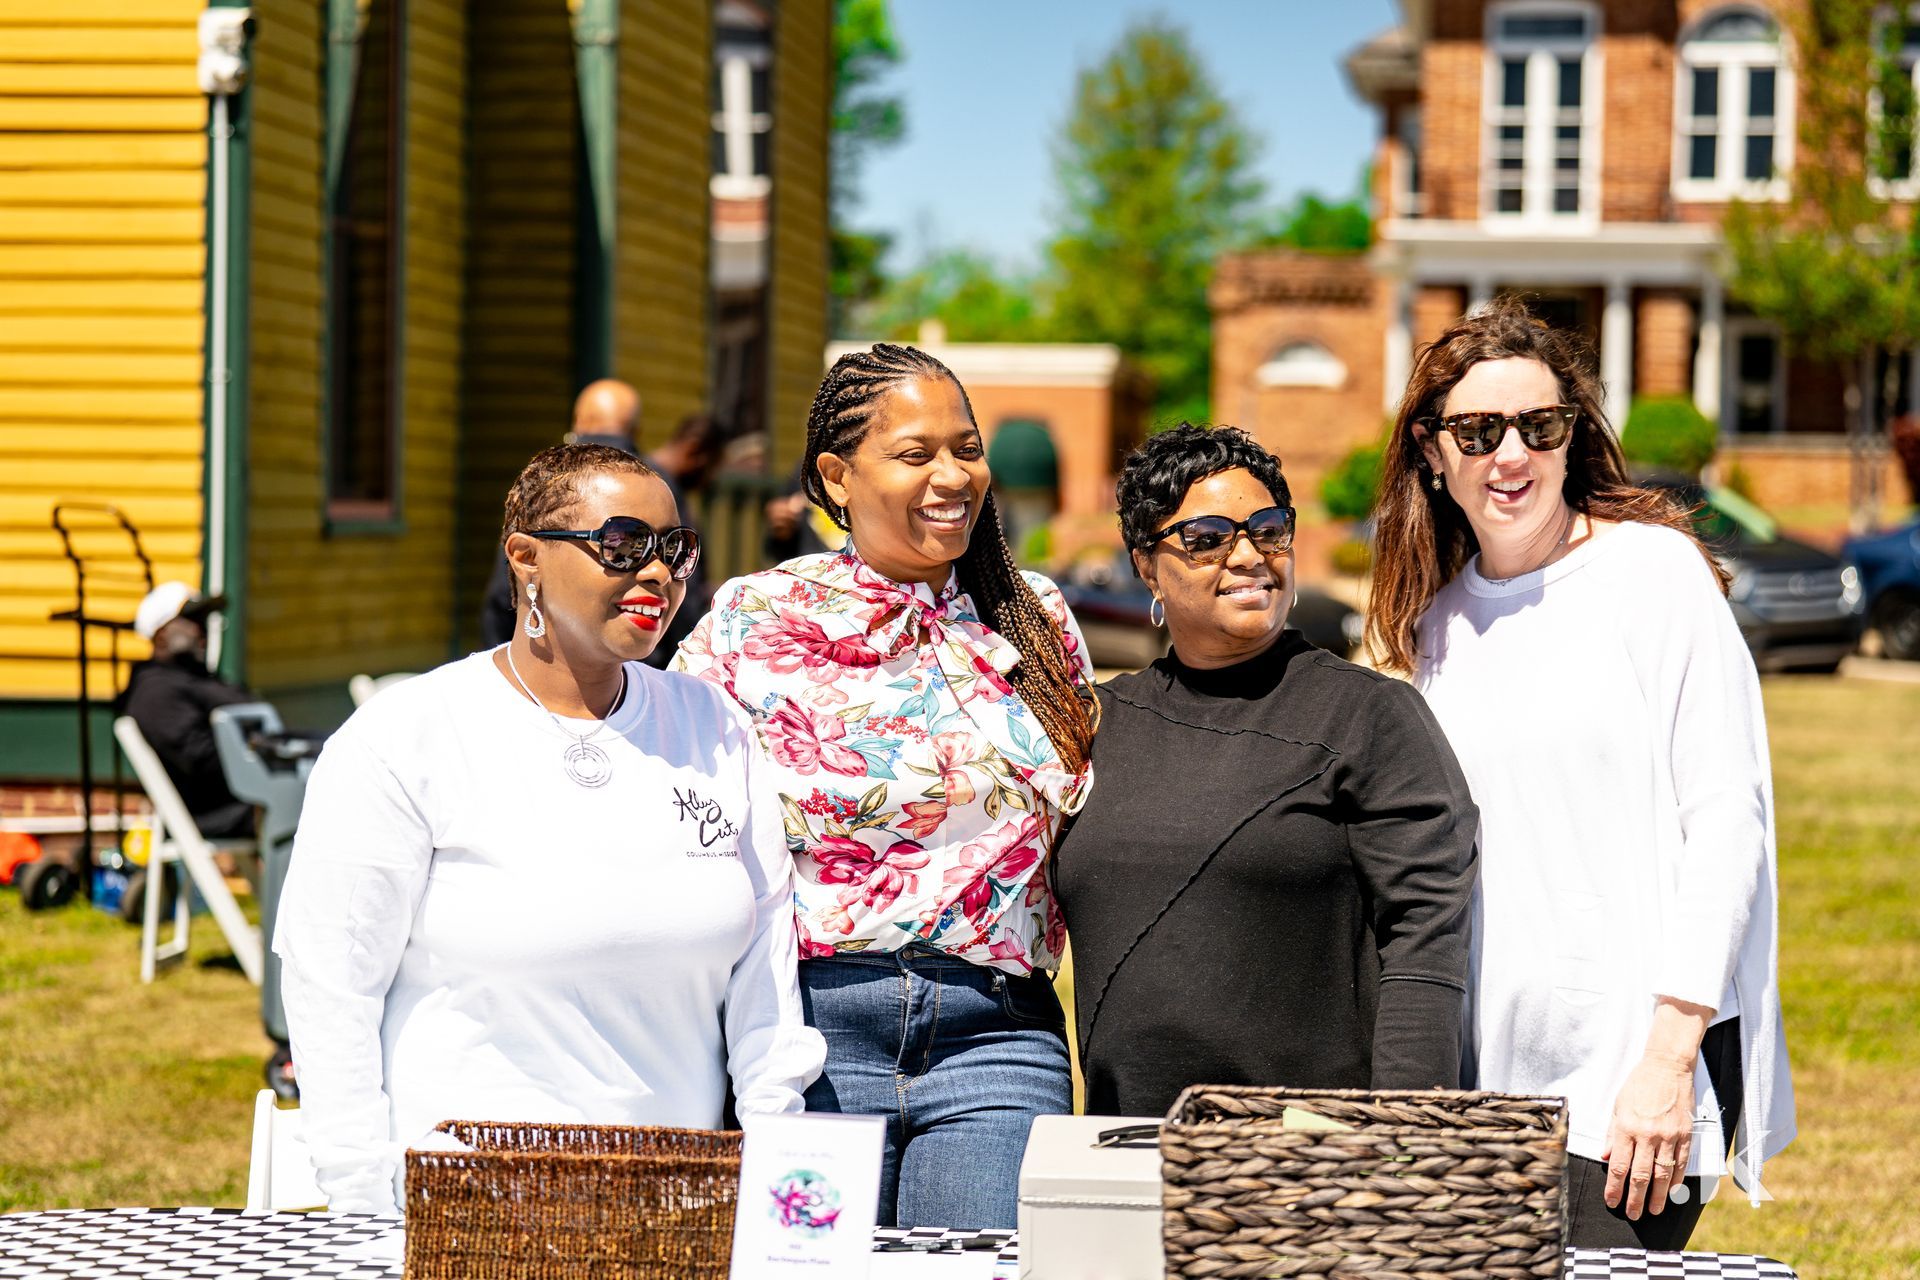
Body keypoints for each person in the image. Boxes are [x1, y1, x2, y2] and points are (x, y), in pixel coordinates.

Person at [276, 442, 824, 1215]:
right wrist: (365, 1210)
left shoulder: (715, 727)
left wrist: (774, 1186)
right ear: (526, 559)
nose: (658, 573)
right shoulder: (406, 736)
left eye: (677, 549)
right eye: (623, 545)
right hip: (464, 1217)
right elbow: (330, 987)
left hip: (676, 1214)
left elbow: (766, 990)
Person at [1368, 297, 1794, 1249]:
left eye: (1539, 425)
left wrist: (1669, 1058)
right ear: (1433, 456)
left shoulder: (1656, 576)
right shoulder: (1432, 627)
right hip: (1483, 1089)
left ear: (1572, 437)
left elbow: (1729, 822)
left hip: (1630, 1085)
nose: (1509, 454)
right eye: (1478, 431)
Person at [673, 343, 1097, 1231]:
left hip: (999, 1036)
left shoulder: (1037, 617)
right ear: (837, 476)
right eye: (916, 454)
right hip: (810, 1038)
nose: (954, 475)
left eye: (967, 447)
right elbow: (674, 820)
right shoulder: (755, 621)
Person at [1052, 425, 1477, 1117]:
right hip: (1125, 1147)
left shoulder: (1368, 717)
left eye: (1269, 530)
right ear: (1146, 565)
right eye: (1206, 537)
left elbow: (1426, 941)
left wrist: (1401, 1138)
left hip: (1305, 1163)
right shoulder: (1101, 724)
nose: (1249, 556)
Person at [479, 379, 643, 647]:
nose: (657, 571)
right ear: (636, 430)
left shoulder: (552, 486)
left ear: (579, 422)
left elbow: (502, 593)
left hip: (544, 659)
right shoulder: (660, 486)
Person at [117, 583, 252, 838]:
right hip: (218, 810)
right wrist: (263, 752)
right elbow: (201, 758)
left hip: (252, 794)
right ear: (161, 635)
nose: (203, 630)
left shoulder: (198, 678)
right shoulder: (156, 691)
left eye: (204, 620)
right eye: (192, 620)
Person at [643, 413, 726, 668]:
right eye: (713, 467)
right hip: (657, 652)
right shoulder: (662, 492)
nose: (710, 479)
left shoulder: (650, 479)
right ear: (693, 451)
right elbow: (678, 574)